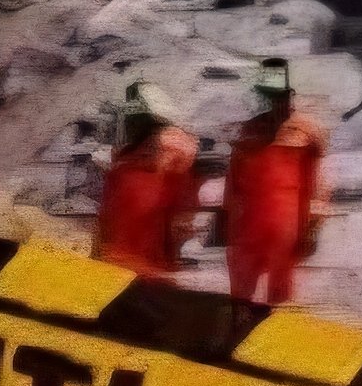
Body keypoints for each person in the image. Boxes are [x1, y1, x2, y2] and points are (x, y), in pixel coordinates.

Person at [222, 59, 327, 305]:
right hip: (248, 224)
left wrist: (313, 227)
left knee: (280, 296)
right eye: (271, 96)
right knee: (240, 294)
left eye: (281, 96)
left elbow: (317, 185)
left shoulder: (306, 131)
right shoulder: (250, 130)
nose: (277, 103)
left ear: (290, 96)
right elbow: (233, 181)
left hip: (287, 223)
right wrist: (227, 223)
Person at [94, 82, 197, 281]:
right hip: (131, 269)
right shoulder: (127, 173)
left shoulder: (129, 171)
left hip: (136, 270)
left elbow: (180, 225)